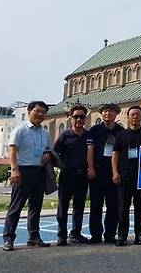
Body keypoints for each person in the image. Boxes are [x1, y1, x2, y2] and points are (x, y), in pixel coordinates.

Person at [2, 101, 53, 251]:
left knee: (35, 207)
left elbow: (49, 150)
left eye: (43, 112)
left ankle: (34, 237)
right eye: (37, 111)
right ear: (29, 111)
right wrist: (14, 169)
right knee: (16, 207)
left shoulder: (44, 133)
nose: (40, 114)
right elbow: (12, 149)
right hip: (23, 171)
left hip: (39, 171)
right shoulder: (21, 130)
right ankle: (8, 238)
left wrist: (48, 156)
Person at [112, 106, 141, 247]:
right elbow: (115, 154)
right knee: (123, 207)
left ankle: (140, 234)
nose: (135, 117)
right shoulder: (121, 134)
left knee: (140, 207)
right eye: (132, 115)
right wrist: (115, 172)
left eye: (137, 115)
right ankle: (122, 235)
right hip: (124, 175)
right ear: (128, 116)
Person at [54, 105, 91, 245]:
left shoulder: (88, 135)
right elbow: (55, 152)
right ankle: (61, 235)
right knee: (63, 206)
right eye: (76, 116)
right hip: (67, 175)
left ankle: (75, 233)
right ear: (71, 118)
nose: (79, 119)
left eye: (82, 116)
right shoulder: (65, 135)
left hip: (82, 175)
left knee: (79, 206)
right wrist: (59, 167)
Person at [87, 103, 123, 244]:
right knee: (96, 205)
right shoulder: (95, 130)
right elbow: (90, 149)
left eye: (111, 112)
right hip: (97, 172)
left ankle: (110, 234)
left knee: (113, 206)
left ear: (116, 114)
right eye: (105, 111)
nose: (108, 114)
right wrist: (90, 168)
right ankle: (95, 234)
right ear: (102, 114)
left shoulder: (120, 131)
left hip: (113, 173)